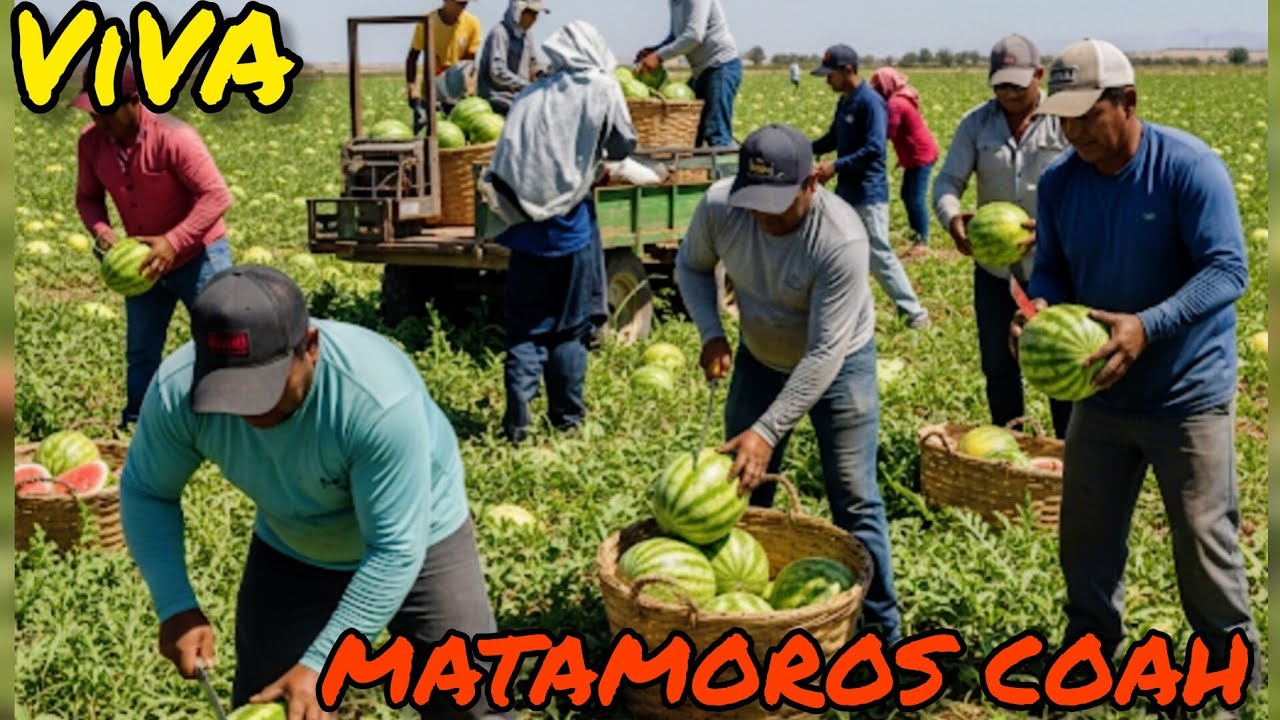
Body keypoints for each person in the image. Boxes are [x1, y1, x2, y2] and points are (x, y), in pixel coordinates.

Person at [120, 266, 511, 720]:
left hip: (420, 539)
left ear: (310, 347)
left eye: (264, 386)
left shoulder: (377, 400)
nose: (249, 409)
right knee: (265, 701)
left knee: (474, 706)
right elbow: (148, 490)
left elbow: (393, 549)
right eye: (229, 390)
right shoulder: (179, 392)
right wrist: (176, 605)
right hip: (294, 545)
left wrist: (324, 661)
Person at [1014, 39, 1261, 713]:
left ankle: (1226, 683)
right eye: (1062, 118)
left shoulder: (1188, 168)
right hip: (1102, 392)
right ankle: (1086, 662)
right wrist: (1039, 315)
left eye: (1086, 116)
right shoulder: (1063, 182)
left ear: (1127, 102)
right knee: (1086, 542)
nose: (1072, 133)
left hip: (1187, 396)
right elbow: (1054, 271)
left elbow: (1227, 270)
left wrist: (1147, 325)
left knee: (1204, 544)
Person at [676, 124, 903, 646]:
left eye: (777, 201)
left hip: (840, 364)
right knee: (741, 488)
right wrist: (712, 333)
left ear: (811, 184)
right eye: (754, 201)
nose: (763, 215)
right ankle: (748, 621)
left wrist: (769, 428)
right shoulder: (720, 207)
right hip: (759, 356)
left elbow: (824, 352)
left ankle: (885, 633)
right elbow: (691, 267)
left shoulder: (840, 238)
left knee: (854, 494)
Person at [479, 21, 638, 444]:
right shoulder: (601, 87)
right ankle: (567, 423)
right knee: (569, 328)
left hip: (524, 231)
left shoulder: (529, 95)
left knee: (527, 329)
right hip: (571, 231)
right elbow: (623, 146)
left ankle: (517, 426)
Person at [71, 63, 233, 431]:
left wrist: (173, 241)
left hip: (199, 256)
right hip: (144, 265)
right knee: (141, 350)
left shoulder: (175, 137)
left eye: (107, 111)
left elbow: (216, 195)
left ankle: (227, 424)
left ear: (134, 102)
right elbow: (87, 198)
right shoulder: (90, 142)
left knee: (220, 340)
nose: (99, 120)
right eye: (93, 111)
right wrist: (102, 232)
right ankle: (139, 425)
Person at [932, 34, 1072, 438]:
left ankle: (1067, 454)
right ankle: (1008, 446)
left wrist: (1051, 230)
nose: (1008, 93)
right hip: (998, 275)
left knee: (1060, 360)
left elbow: (1088, 186)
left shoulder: (1065, 120)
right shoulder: (976, 123)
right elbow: (947, 181)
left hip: (1056, 267)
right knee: (999, 366)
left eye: (1017, 83)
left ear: (1039, 75)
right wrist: (952, 217)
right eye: (1000, 84)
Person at [810, 45, 929, 328]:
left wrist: (834, 167)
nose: (827, 80)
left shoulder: (871, 102)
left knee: (878, 253)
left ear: (848, 70)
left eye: (830, 74)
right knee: (840, 251)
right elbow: (833, 139)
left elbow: (875, 149)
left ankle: (915, 313)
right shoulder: (845, 101)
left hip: (868, 193)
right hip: (847, 192)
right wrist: (800, 148)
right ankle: (848, 313)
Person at [635, 0, 742, 147]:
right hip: (701, 72)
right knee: (692, 132)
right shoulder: (674, 2)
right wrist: (654, 50)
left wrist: (659, 57)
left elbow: (694, 36)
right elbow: (675, 37)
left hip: (720, 66)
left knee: (716, 132)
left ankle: (724, 169)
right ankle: (695, 170)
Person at [868, 67, 938, 259]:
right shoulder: (899, 98)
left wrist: (867, 146)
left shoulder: (896, 103)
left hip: (920, 155)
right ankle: (917, 235)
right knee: (908, 195)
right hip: (917, 154)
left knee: (914, 197)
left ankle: (922, 242)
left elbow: (888, 132)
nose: (875, 89)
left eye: (877, 85)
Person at [406, 0, 483, 131]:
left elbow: (469, 62)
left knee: (456, 137)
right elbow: (413, 57)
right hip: (430, 93)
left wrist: (470, 86)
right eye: (459, 3)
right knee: (425, 134)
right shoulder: (428, 22)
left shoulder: (472, 23)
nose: (463, 6)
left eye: (465, 3)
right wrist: (412, 88)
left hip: (457, 94)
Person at [477, 0, 549, 115]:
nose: (534, 19)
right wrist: (525, 85)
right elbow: (497, 72)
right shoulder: (500, 33)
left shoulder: (527, 36)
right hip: (497, 98)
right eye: (530, 13)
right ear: (517, 10)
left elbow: (533, 64)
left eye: (536, 14)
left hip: (518, 97)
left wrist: (542, 74)